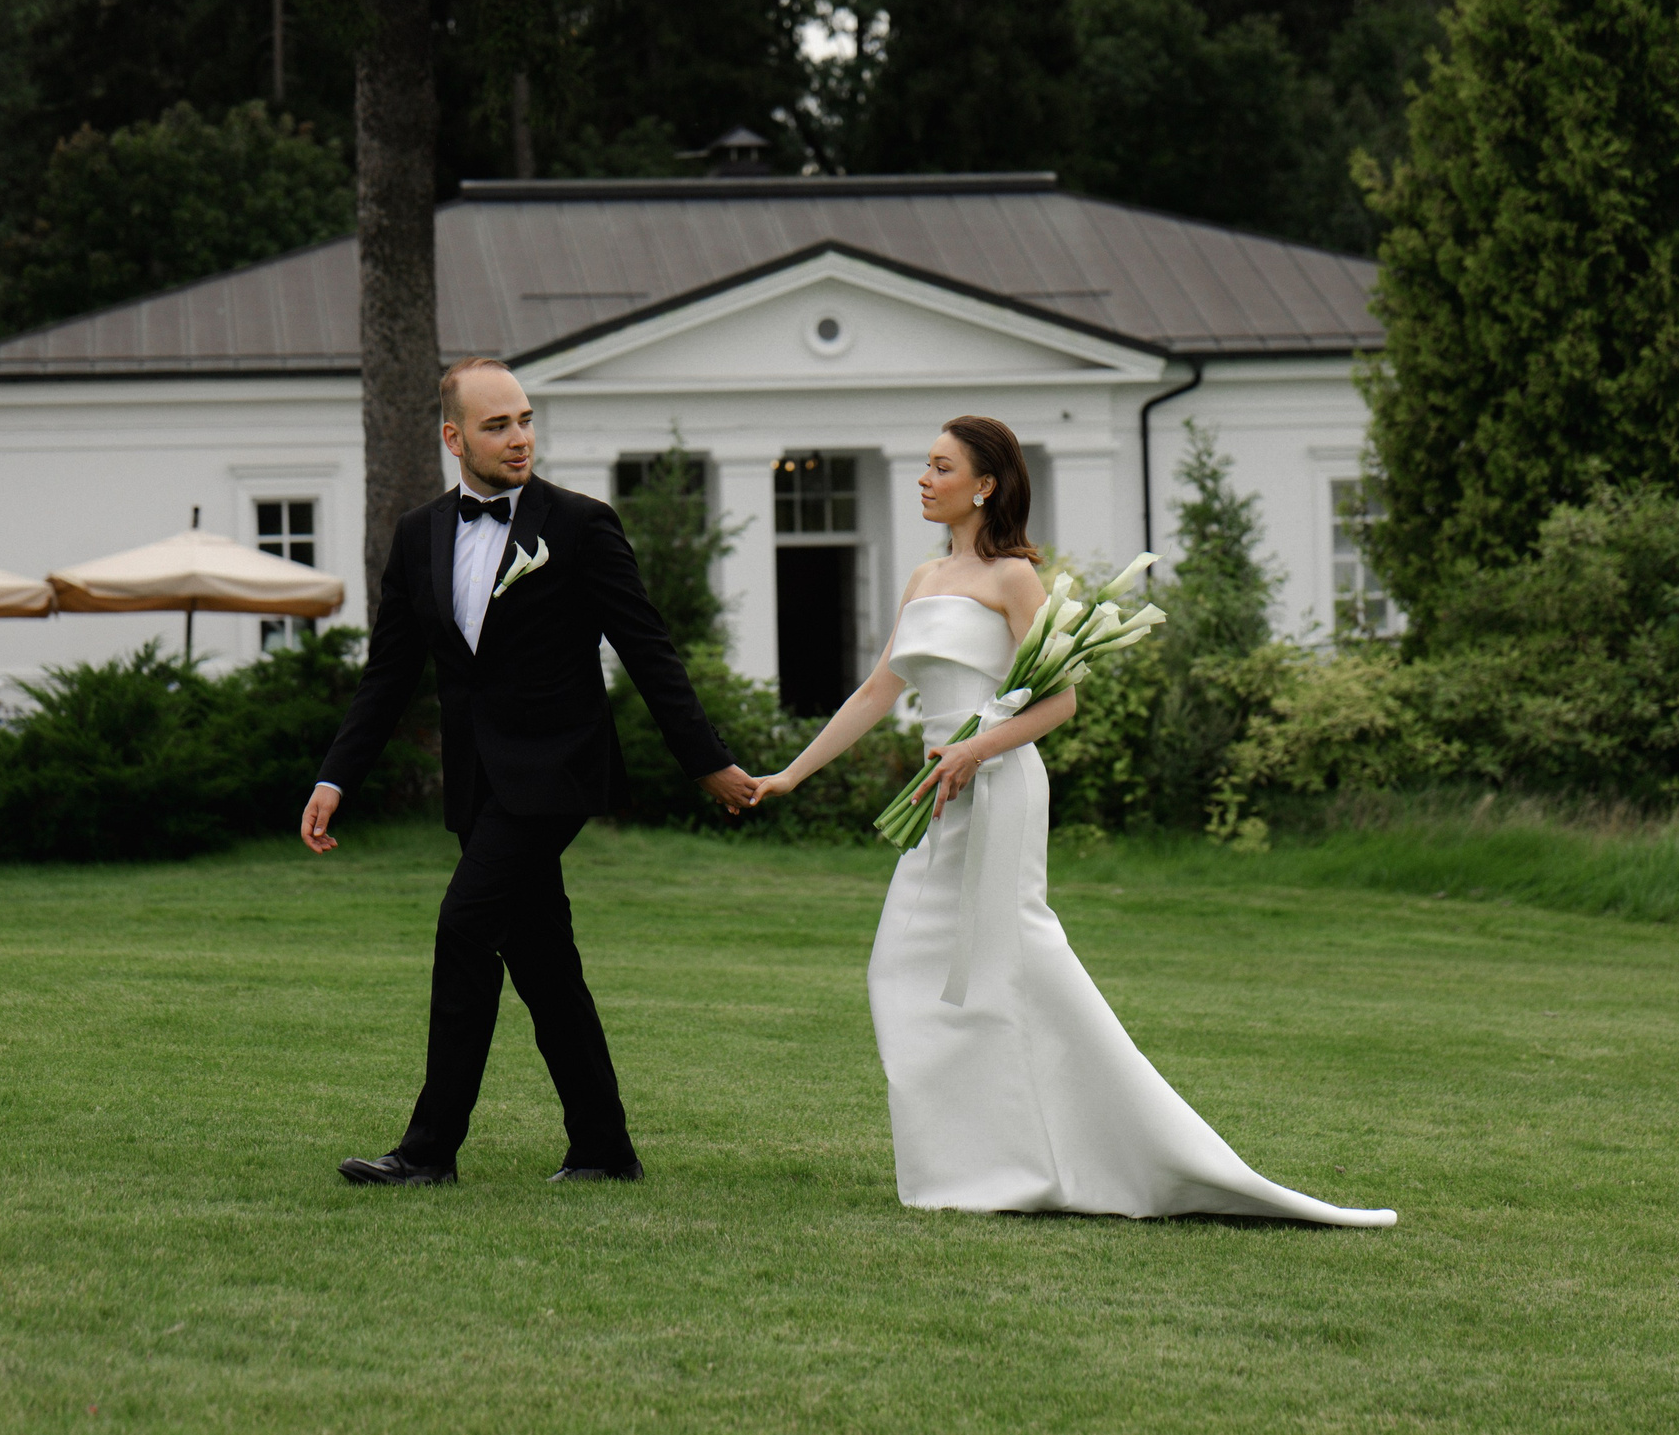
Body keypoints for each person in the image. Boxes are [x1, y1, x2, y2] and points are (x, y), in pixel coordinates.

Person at [749, 416, 1395, 1225]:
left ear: (984, 485)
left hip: (997, 786)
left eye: (941, 466)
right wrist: (790, 773)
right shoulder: (922, 577)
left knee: (1004, 963)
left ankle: (1079, 1158)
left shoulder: (1016, 577)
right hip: (939, 790)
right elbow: (878, 691)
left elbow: (1059, 702)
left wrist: (974, 749)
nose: (923, 477)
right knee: (903, 971)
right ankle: (977, 1165)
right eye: (926, 464)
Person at [303, 357, 758, 1187]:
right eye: (497, 425)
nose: (519, 438)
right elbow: (390, 674)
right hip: (478, 782)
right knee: (543, 960)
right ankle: (604, 1148)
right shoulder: (418, 534)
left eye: (525, 419)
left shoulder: (581, 525)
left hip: (556, 772)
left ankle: (428, 1151)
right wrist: (336, 777)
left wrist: (709, 762)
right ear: (454, 438)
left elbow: (648, 650)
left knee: (463, 926)